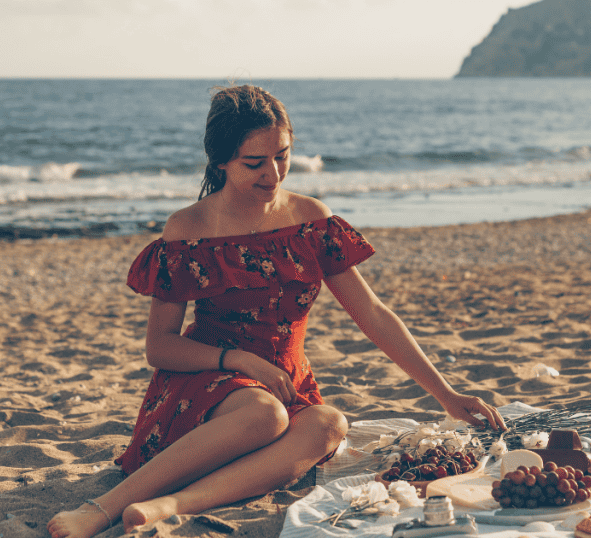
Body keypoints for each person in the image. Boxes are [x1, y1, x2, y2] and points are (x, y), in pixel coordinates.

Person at [47, 85, 507, 538]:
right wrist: (240, 360)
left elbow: (372, 313)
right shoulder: (189, 229)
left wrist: (446, 394)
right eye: (255, 163)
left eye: (282, 155)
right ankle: (102, 508)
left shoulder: (311, 221)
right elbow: (159, 346)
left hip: (287, 384)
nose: (274, 174)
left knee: (330, 424)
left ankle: (167, 504)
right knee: (265, 416)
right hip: (205, 383)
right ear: (221, 160)